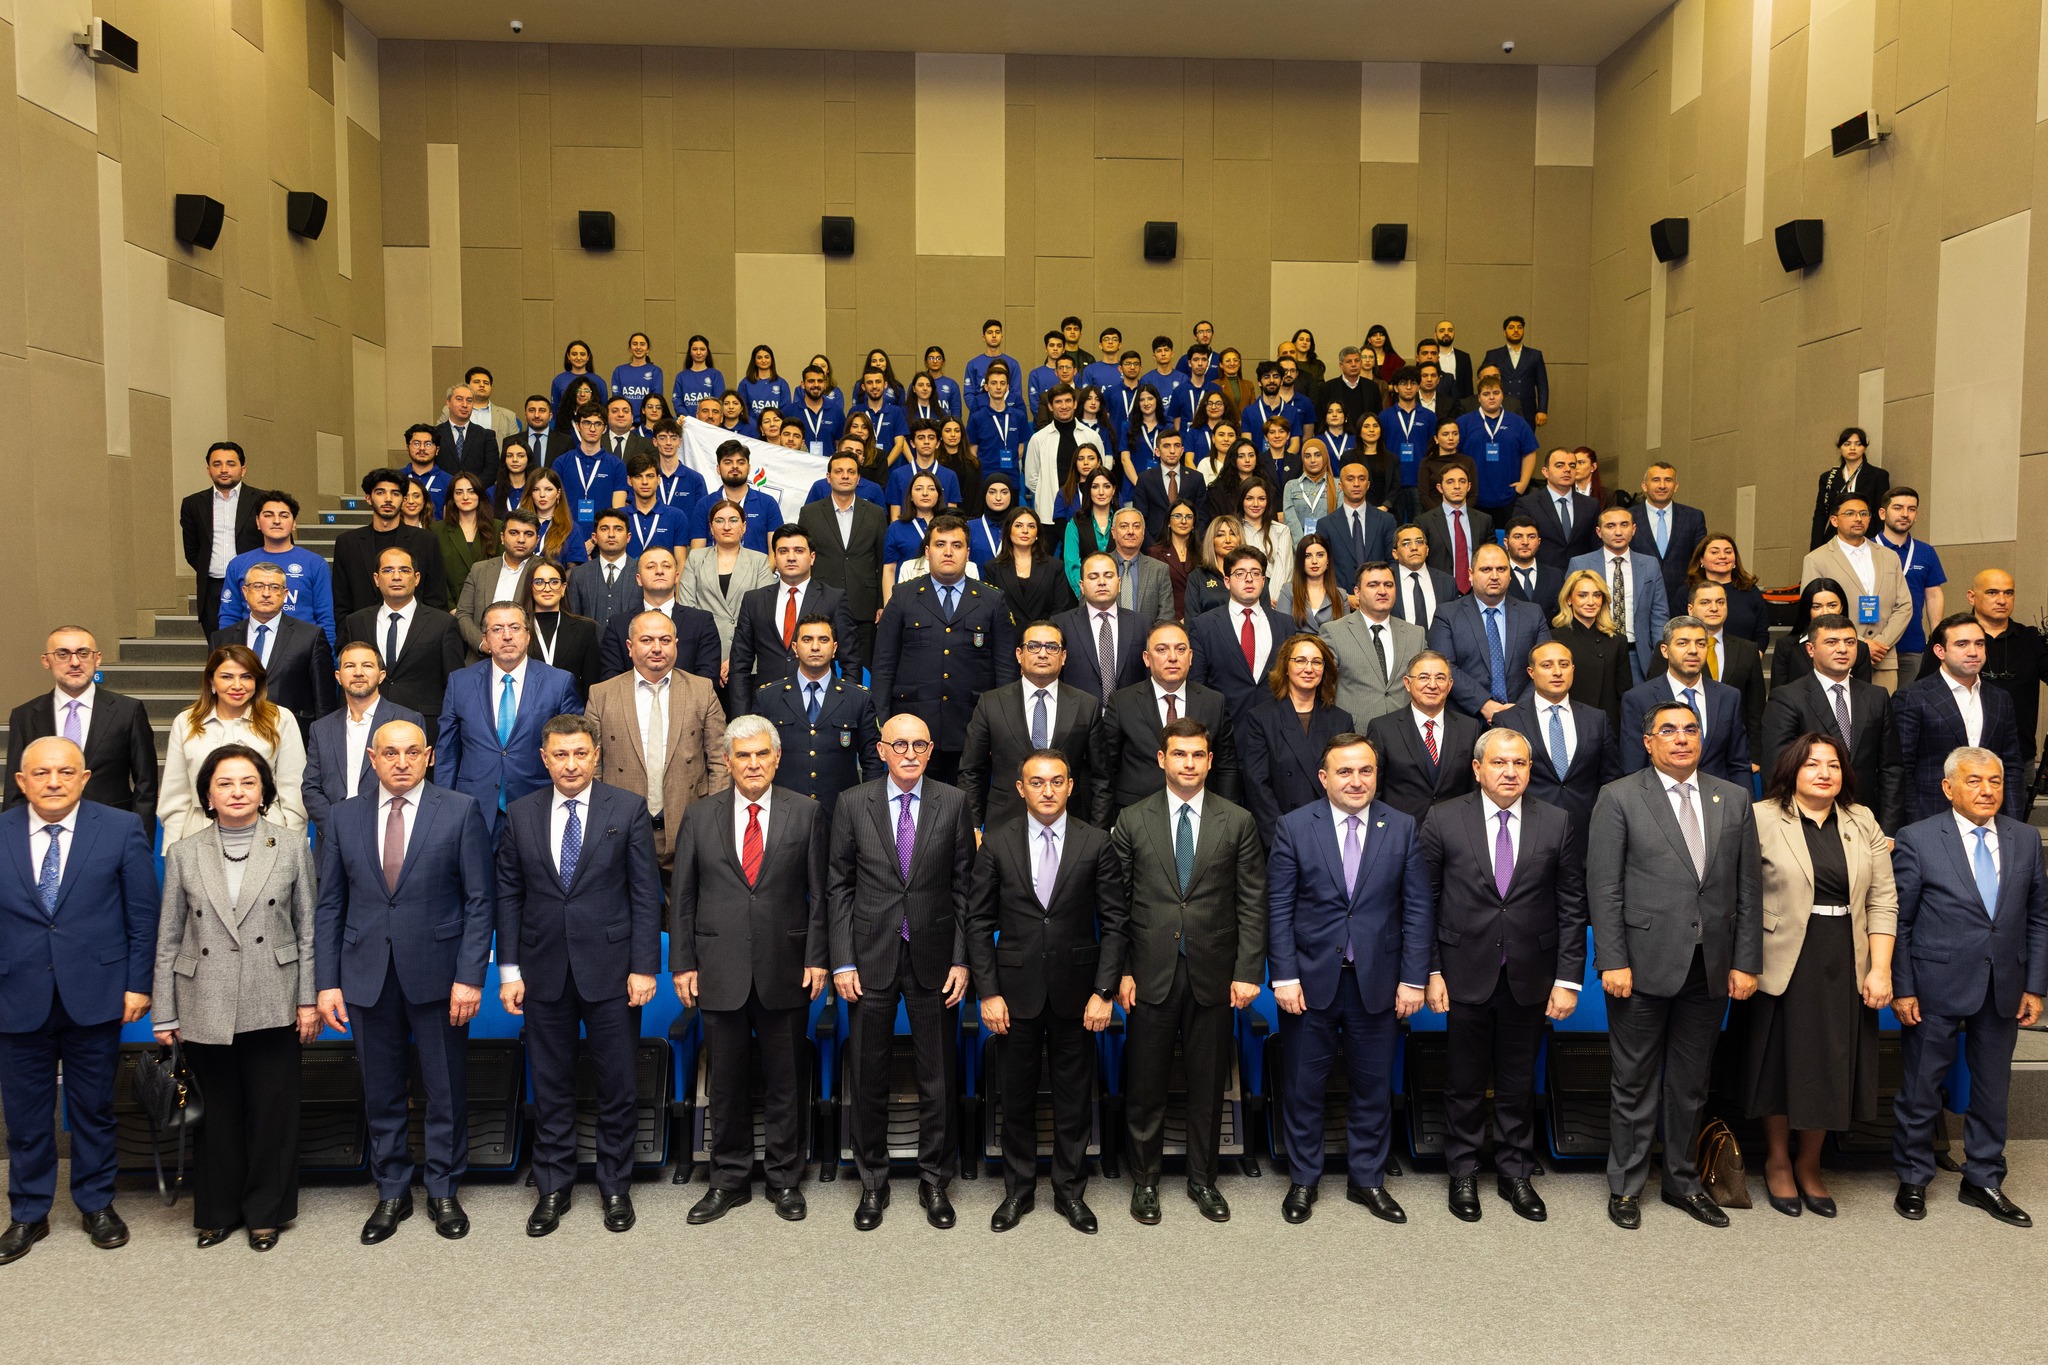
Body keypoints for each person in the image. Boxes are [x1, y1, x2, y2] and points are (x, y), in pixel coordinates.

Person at [314, 720, 495, 1243]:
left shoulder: (460, 810)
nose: (401, 762)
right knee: (381, 1090)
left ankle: (443, 1188)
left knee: (444, 1088)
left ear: (429, 756)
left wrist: (470, 976)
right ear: (372, 758)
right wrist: (327, 982)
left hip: (439, 973)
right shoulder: (344, 816)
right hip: (365, 973)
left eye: (412, 752)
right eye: (390, 753)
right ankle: (392, 1189)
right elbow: (330, 905)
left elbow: (479, 902)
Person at [1588, 699, 1762, 1229]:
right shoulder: (1619, 796)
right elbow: (1604, 886)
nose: (1681, 738)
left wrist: (1745, 961)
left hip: (1710, 966)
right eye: (1668, 730)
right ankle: (1626, 1186)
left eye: (1690, 729)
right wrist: (1611, 959)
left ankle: (1682, 1182)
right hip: (1640, 965)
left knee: (1690, 1083)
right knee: (1634, 1081)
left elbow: (1748, 889)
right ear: (1648, 742)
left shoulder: (1733, 798)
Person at [495, 715, 659, 1237]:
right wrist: (509, 970)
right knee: (550, 1084)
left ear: (596, 756)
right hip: (542, 970)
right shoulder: (520, 813)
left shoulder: (627, 808)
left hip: (611, 971)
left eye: (580, 753)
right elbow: (508, 895)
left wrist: (644, 967)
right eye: (561, 755)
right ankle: (553, 1186)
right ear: (544, 759)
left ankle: (615, 1186)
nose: (571, 764)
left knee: (618, 1083)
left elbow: (644, 894)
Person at [151, 746, 319, 1250]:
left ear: (264, 790)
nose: (237, 791)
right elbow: (169, 937)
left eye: (248, 782)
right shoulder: (184, 852)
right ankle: (217, 1211)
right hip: (204, 994)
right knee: (217, 1113)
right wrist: (164, 1011)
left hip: (274, 992)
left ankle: (266, 1212)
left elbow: (307, 931)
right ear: (207, 794)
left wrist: (307, 1000)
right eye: (225, 783)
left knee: (272, 1113)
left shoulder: (291, 846)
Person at [664, 715, 828, 1225]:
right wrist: (683, 962)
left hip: (787, 967)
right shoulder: (699, 816)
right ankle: (729, 1181)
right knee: (726, 1084)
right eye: (743, 755)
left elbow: (821, 895)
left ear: (777, 758)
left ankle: (785, 1179)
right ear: (728, 761)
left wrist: (817, 956)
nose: (753, 764)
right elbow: (683, 896)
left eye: (761, 754)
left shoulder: (807, 813)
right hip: (719, 968)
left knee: (786, 1082)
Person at [0, 737, 157, 1265]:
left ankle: (96, 1204)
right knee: (25, 1115)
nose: (54, 782)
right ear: (21, 781)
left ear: (84, 778)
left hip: (96, 991)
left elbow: (142, 915)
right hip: (15, 994)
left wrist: (138, 984)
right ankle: (28, 1212)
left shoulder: (120, 828)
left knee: (92, 1107)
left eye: (66, 772)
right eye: (41, 773)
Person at [1421, 728, 1586, 1222]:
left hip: (1531, 974)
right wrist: (1431, 969)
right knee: (1463, 1081)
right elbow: (1423, 901)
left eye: (1519, 763)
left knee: (1517, 1080)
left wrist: (1568, 979)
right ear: (1477, 769)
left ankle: (1515, 1172)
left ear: (1530, 770)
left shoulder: (1557, 821)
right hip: (1462, 970)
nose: (1509, 772)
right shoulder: (1443, 818)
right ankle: (1463, 1172)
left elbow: (1571, 905)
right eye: (1499, 762)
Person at [1113, 717, 1265, 1225]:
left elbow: (1252, 902)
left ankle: (1204, 1179)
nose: (1189, 763)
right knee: (1145, 1086)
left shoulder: (1237, 820)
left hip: (1215, 973)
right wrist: (1123, 971)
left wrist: (1248, 970)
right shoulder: (1132, 819)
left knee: (1207, 1085)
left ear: (1210, 760)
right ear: (1162, 759)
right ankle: (1146, 1181)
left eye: (1198, 755)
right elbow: (1117, 905)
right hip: (1149, 972)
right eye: (1179, 754)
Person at [828, 715, 977, 1230]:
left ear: (931, 750)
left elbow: (965, 890)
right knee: (868, 1076)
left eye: (918, 745)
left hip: (935, 957)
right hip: (869, 958)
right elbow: (839, 887)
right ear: (882, 750)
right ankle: (872, 1182)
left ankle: (935, 1181)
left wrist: (961, 958)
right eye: (899, 745)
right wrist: (842, 959)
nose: (909, 753)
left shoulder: (953, 802)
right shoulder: (853, 802)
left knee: (938, 1078)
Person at [970, 748, 1126, 1233]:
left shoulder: (1096, 842)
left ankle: (1070, 1193)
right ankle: (1017, 1192)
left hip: (1078, 995)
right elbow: (978, 923)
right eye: (1036, 782)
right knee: (1015, 1097)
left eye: (1057, 781)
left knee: (1073, 1099)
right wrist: (988, 992)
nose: (1047, 790)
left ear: (1071, 786)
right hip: (1012, 994)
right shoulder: (996, 842)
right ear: (1021, 789)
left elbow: (1115, 923)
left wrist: (1104, 991)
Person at [1890, 746, 2048, 1228]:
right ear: (1948, 787)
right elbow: (1901, 921)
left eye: (1995, 781)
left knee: (1992, 1089)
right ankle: (1913, 1176)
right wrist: (1903, 987)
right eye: (1974, 781)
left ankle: (1983, 1178)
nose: (1987, 790)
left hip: (2004, 984)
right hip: (1934, 983)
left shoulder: (2025, 838)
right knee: (1921, 1086)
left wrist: (2035, 986)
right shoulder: (1917, 838)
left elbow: (2039, 917)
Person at [1744, 733, 1897, 1218]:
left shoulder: (1862, 819)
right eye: (1812, 764)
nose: (1824, 773)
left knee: (1831, 1061)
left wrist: (1880, 968)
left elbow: (1883, 900)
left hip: (1844, 955)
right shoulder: (1760, 817)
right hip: (1782, 957)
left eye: (1833, 764)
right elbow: (1741, 896)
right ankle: (1777, 1161)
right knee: (1780, 1062)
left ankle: (1810, 1163)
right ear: (1792, 770)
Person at [870, 516, 1018, 785]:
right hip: (913, 732)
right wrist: (884, 722)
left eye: (956, 545)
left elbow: (1006, 670)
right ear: (927, 552)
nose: (948, 552)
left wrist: (1000, 726)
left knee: (968, 807)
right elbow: (883, 665)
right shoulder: (903, 596)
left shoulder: (992, 600)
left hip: (973, 728)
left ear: (968, 553)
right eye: (940, 544)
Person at [582, 609, 729, 870]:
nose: (657, 648)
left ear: (676, 645)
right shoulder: (602, 694)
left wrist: (713, 816)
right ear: (630, 647)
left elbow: (720, 759)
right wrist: (601, 817)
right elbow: (591, 764)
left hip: (688, 823)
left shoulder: (701, 690)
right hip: (621, 827)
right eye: (647, 640)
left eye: (665, 640)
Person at [436, 603, 584, 837]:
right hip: (473, 806)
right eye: (497, 629)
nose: (507, 636)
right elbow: (447, 753)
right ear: (485, 639)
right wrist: (443, 807)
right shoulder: (460, 682)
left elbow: (572, 750)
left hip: (537, 806)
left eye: (515, 627)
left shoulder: (559, 682)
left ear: (528, 634)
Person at [1760, 613, 1901, 831]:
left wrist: (1889, 830)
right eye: (1831, 642)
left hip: (1866, 819)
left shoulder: (1877, 697)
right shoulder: (1788, 697)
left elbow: (1891, 768)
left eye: (1850, 642)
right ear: (1810, 649)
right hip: (1806, 820)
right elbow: (1775, 768)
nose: (1842, 649)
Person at [158, 645, 308, 845]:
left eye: (246, 677)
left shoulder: (280, 719)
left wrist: (293, 843)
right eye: (227, 677)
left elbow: (293, 789)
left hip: (267, 829)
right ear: (211, 681)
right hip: (200, 830)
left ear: (257, 681)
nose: (237, 685)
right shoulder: (186, 722)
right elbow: (176, 794)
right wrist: (171, 848)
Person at [960, 621, 1103, 830]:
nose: (1043, 654)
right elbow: (971, 771)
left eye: (1052, 647)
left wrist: (1098, 834)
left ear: (1063, 656)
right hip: (1003, 823)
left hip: (1069, 825)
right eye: (1033, 646)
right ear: (1019, 654)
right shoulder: (991, 703)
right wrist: (972, 827)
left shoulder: (1086, 705)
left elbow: (1101, 778)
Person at [1096, 621, 1241, 824]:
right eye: (1162, 649)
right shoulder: (1122, 702)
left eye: (1180, 649)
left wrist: (1226, 820)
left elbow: (1227, 767)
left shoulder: (1214, 702)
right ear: (1147, 658)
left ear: (1190, 657)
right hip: (1136, 816)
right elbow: (1105, 770)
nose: (1172, 657)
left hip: (1201, 815)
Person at [1892, 613, 2025, 824]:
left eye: (1979, 644)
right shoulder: (1912, 697)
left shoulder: (2000, 699)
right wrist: (1915, 824)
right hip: (1931, 815)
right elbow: (1901, 768)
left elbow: (2011, 765)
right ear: (1940, 651)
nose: (1973, 652)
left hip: (1991, 816)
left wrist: (2013, 821)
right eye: (1962, 644)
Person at [1916, 569, 2048, 773]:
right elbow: (1924, 692)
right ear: (1971, 597)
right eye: (1992, 593)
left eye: (2008, 593)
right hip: (1955, 758)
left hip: (2017, 756)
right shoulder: (1949, 636)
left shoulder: (2029, 638)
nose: (2002, 600)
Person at [751, 614, 882, 819]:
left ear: (835, 648)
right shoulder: (768, 697)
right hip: (783, 815)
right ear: (795, 648)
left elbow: (872, 761)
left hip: (841, 815)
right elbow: (755, 759)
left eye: (823, 640)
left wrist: (868, 811)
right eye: (807, 639)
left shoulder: (858, 698)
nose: (815, 647)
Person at [337, 547, 468, 750]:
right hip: (365, 729)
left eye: (404, 570)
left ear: (416, 578)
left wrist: (443, 741)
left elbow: (454, 686)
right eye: (388, 570)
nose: (396, 577)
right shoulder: (356, 622)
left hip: (426, 733)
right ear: (376, 579)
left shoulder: (442, 623)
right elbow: (347, 680)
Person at [1490, 640, 1620, 841]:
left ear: (1573, 669)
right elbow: (1497, 780)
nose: (1557, 672)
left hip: (1588, 830)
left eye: (1564, 664)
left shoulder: (1596, 719)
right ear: (1531, 672)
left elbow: (1611, 779)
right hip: (1528, 830)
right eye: (1547, 665)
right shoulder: (1508, 720)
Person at [1239, 632, 1355, 839]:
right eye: (1300, 660)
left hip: (1331, 831)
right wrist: (1280, 835)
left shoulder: (1341, 720)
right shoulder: (1261, 718)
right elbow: (1257, 784)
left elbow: (1347, 780)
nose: (1309, 669)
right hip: (1282, 831)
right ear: (1286, 667)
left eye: (1317, 662)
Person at [303, 641, 424, 831]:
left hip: (387, 832)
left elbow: (411, 782)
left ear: (381, 676)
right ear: (338, 677)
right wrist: (336, 828)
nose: (358, 672)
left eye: (367, 665)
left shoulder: (407, 720)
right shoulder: (321, 728)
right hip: (332, 834)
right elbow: (311, 788)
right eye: (350, 666)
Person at [211, 560, 336, 740]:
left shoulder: (311, 637)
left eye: (274, 587)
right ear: (245, 592)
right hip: (233, 735)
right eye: (258, 586)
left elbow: (324, 701)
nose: (266, 593)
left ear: (285, 594)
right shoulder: (222, 639)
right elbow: (213, 693)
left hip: (291, 736)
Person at [1619, 617, 1751, 787]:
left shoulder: (1729, 697)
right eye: (1683, 643)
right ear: (1665, 650)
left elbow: (1739, 764)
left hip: (1717, 797)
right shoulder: (1638, 698)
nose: (1693, 650)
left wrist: (1745, 803)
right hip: (1659, 798)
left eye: (1701, 644)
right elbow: (1633, 767)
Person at [1428, 543, 1549, 720]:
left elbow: (1545, 664)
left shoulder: (1532, 614)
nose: (1494, 576)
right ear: (1470, 574)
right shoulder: (1447, 614)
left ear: (1510, 574)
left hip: (1523, 716)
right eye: (1486, 569)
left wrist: (1519, 710)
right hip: (1466, 719)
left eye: (1501, 569)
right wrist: (1485, 705)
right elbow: (1444, 667)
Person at [1801, 494, 1910, 692]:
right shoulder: (1816, 559)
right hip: (1840, 656)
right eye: (1850, 513)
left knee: (1882, 710)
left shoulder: (1889, 556)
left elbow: (1904, 606)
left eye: (1863, 514)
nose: (1858, 519)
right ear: (1834, 520)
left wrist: (1881, 643)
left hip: (1883, 657)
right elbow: (1815, 610)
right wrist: (1861, 645)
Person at [1364, 648, 1484, 820]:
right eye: (1424, 677)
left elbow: (1475, 787)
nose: (1432, 685)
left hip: (1455, 826)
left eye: (1440, 678)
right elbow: (1374, 790)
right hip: (1400, 828)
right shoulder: (1382, 728)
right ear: (1407, 683)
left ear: (1450, 685)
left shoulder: (1469, 728)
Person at [801, 448, 891, 671]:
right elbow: (805, 560)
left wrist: (881, 604)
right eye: (839, 471)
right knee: (820, 668)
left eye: (851, 472)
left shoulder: (876, 513)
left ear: (858, 478)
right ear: (828, 477)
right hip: (821, 603)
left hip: (864, 604)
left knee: (862, 671)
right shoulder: (809, 513)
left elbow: (882, 562)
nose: (845, 476)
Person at [1188, 546, 1295, 727]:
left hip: (1275, 726)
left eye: (1255, 573)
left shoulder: (1285, 624)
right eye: (1240, 573)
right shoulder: (1203, 625)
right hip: (1224, 727)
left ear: (1263, 581)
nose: (1249, 579)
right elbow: (1197, 685)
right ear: (1227, 581)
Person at [218, 491, 339, 650]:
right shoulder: (238, 564)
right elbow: (229, 617)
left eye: (284, 515)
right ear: (258, 522)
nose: (276, 521)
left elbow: (325, 619)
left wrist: (325, 657)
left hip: (301, 650)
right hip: (250, 650)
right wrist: (228, 655)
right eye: (268, 515)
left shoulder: (315, 564)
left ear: (294, 523)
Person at [681, 500, 776, 696]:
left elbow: (764, 615)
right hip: (703, 660)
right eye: (719, 520)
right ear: (711, 528)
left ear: (744, 527)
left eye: (733, 520)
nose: (726, 526)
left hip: (748, 660)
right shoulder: (695, 559)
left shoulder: (759, 561)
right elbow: (686, 611)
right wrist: (711, 659)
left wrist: (736, 657)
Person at [331, 468, 450, 618]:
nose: (388, 499)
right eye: (380, 493)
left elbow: (436, 599)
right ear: (368, 498)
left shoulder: (426, 541)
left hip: (416, 629)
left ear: (404, 500)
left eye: (395, 493)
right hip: (361, 629)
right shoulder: (347, 543)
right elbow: (341, 603)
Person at [1570, 506, 1669, 684]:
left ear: (1633, 529)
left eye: (1624, 525)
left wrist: (1659, 657)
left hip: (1639, 655)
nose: (1618, 532)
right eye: (1610, 526)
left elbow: (1659, 614)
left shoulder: (1650, 565)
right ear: (1599, 532)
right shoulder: (1580, 563)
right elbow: (1570, 612)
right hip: (1595, 651)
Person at [596, 546, 722, 683]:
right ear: (638, 579)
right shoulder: (618, 624)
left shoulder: (701, 621)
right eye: (651, 567)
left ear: (677, 576)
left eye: (666, 566)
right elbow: (611, 678)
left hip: (687, 696)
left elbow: (707, 678)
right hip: (632, 696)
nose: (659, 571)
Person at [181, 441, 268, 636]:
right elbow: (192, 551)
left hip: (256, 585)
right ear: (208, 470)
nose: (224, 470)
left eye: (230, 464)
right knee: (219, 647)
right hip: (213, 589)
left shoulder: (263, 500)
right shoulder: (193, 504)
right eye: (217, 464)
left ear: (243, 469)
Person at [1680, 580, 1765, 764]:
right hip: (1684, 748)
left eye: (1720, 602)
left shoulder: (1748, 650)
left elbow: (1756, 709)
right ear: (1690, 609)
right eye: (1705, 602)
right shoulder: (1673, 650)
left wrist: (1756, 757)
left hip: (1735, 753)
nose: (1714, 608)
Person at [1053, 554, 1150, 704]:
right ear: (1082, 586)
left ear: (1119, 583)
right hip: (1078, 713)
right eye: (1093, 577)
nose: (1102, 582)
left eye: (1108, 576)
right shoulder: (1061, 624)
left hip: (1130, 712)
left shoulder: (1142, 624)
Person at [1874, 488, 1945, 683]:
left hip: (1912, 645)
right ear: (1882, 513)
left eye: (1911, 509)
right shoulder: (1866, 549)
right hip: (1875, 644)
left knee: (1910, 700)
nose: (1905, 514)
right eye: (1898, 508)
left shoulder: (1925, 551)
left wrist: (1937, 636)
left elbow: (1934, 595)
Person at [455, 509, 541, 653]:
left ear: (537, 540)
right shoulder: (480, 570)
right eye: (514, 533)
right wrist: (482, 644)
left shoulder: (545, 570)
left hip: (528, 656)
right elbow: (463, 614)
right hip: (482, 657)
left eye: (528, 534)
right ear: (502, 537)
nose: (521, 539)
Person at [1629, 461, 1706, 610]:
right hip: (1638, 598)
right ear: (1644, 486)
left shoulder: (1694, 517)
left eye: (1668, 480)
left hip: (1683, 599)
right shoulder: (1628, 517)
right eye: (1656, 480)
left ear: (1676, 486)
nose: (1662, 486)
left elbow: (1700, 558)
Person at [1772, 578, 1874, 688]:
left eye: (1832, 605)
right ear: (1807, 610)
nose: (1825, 612)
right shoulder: (1786, 646)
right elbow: (1778, 693)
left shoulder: (1860, 648)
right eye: (1817, 607)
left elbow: (1864, 693)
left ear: (1841, 607)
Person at [1809, 426, 1890, 551]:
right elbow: (1820, 514)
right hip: (1834, 537)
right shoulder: (1829, 477)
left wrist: (1878, 543)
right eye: (1847, 444)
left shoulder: (1878, 475)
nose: (1852, 448)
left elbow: (1880, 513)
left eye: (1858, 444)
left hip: (1867, 537)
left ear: (1865, 447)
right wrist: (1816, 548)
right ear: (1840, 447)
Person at [1515, 448, 1598, 570]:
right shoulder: (1527, 504)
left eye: (1572, 466)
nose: (1567, 470)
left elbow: (1596, 545)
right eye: (1559, 466)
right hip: (1543, 574)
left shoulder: (1591, 504)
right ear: (1545, 472)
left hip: (1581, 574)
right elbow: (1520, 544)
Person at [566, 509, 638, 633]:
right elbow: (573, 621)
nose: (611, 534)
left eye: (618, 529)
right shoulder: (579, 574)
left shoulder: (642, 572)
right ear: (594, 537)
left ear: (628, 537)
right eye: (604, 529)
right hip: (590, 644)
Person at [1479, 315, 1549, 428]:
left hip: (1527, 409)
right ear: (1504, 332)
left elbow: (1542, 385)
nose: (1516, 330)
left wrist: (1542, 410)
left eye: (1519, 327)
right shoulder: (1493, 355)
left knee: (1525, 438)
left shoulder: (1535, 355)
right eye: (1511, 327)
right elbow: (1483, 383)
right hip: (1499, 407)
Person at [434, 382, 500, 486]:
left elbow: (492, 471)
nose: (465, 405)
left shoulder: (486, 436)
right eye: (459, 399)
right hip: (442, 491)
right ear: (448, 402)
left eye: (469, 400)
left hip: (476, 491)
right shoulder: (434, 434)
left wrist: (470, 489)